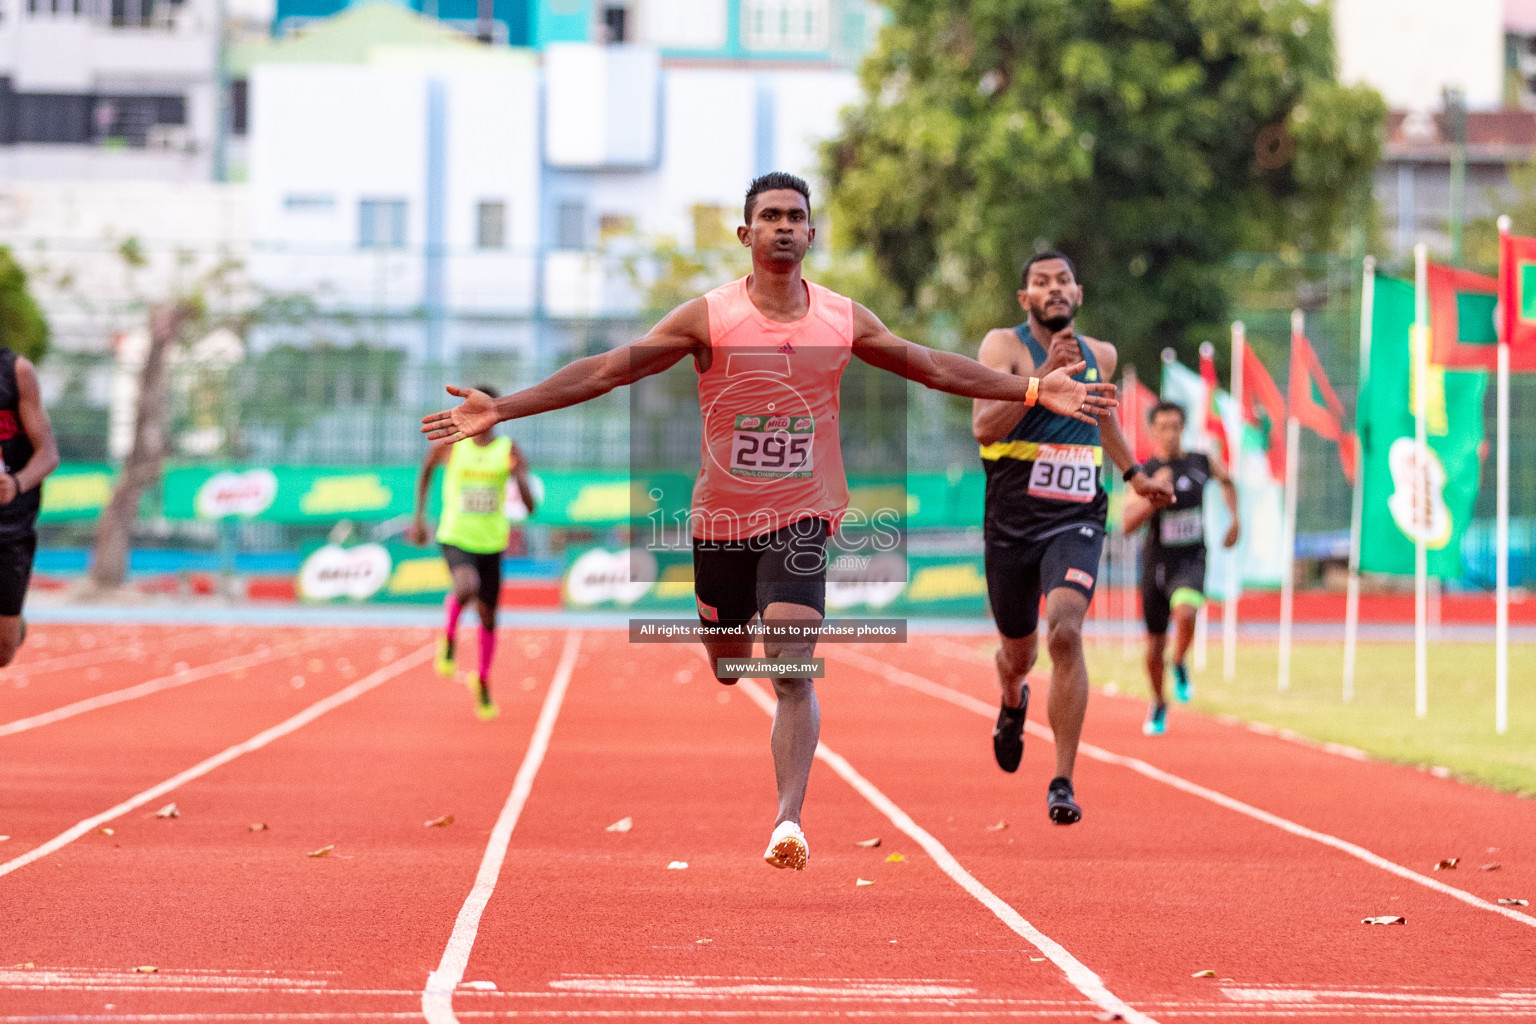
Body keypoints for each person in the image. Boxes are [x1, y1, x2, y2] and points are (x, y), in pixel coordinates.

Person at [423, 172, 1116, 870]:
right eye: (771, 216)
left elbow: (933, 367)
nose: (784, 226)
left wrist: (1032, 388)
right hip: (721, 522)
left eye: (796, 216)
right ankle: (729, 648)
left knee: (791, 664)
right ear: (746, 234)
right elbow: (609, 371)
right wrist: (504, 407)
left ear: (811, 234)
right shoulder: (709, 317)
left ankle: (789, 821)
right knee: (728, 664)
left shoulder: (843, 318)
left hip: (803, 517)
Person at [972, 251, 1174, 825]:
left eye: (1063, 281)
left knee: (1065, 631)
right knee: (1020, 653)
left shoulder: (1101, 355)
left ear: (1078, 295)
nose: (1053, 289)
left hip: (1077, 516)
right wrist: (1038, 383)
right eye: (1041, 282)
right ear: (1025, 299)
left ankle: (1062, 779)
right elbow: (984, 427)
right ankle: (1013, 701)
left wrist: (1135, 475)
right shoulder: (1002, 349)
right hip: (1012, 521)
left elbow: (1104, 417)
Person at [409, 384, 537, 722]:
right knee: (466, 587)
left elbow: (530, 505)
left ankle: (481, 679)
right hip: (456, 534)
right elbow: (425, 472)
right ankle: (448, 638)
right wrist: (419, 519)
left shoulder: (509, 450)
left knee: (489, 617)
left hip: (492, 542)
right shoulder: (452, 446)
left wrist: (516, 477)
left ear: (493, 413)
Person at [1122, 400, 1239, 735]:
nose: (1170, 433)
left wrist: (1235, 519)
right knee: (1154, 647)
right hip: (1156, 563)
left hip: (1191, 558)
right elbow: (1127, 524)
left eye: (1176, 426)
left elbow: (1227, 481)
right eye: (1163, 427)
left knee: (1186, 614)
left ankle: (1179, 661)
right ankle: (1159, 701)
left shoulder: (1200, 462)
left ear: (1183, 427)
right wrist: (1153, 493)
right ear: (1152, 430)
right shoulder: (1143, 471)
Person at [0, 346, 58, 665]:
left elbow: (48, 454)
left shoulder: (17, 372)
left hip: (10, 521)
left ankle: (13, 627)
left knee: (3, 652)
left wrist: (17, 483)